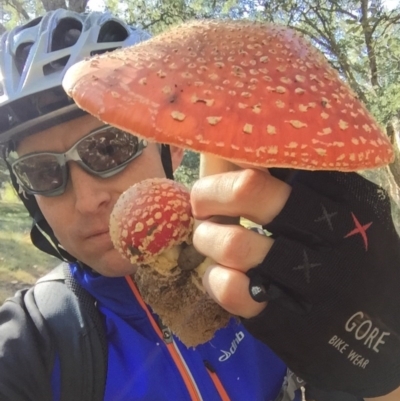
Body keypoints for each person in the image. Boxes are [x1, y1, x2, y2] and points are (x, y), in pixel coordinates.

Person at [0, 9, 399, 401]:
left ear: (172, 145)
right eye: (41, 173)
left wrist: (387, 379)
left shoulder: (292, 276)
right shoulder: (30, 346)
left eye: (108, 149)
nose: (87, 200)